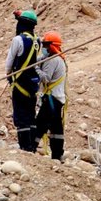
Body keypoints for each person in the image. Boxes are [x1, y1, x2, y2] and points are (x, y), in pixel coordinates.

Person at [4, 10, 41, 151]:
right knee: (31, 115)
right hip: (32, 84)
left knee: (21, 116)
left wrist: (9, 75)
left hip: (19, 83)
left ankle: (24, 147)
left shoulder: (18, 40)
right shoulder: (37, 40)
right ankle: (31, 146)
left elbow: (10, 62)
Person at [34, 31, 67, 162]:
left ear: (52, 46)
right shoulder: (55, 58)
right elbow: (40, 59)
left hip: (52, 99)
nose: (44, 48)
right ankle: (58, 155)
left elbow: (46, 78)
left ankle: (30, 147)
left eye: (46, 45)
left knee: (40, 124)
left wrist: (35, 68)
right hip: (57, 99)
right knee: (56, 128)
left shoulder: (53, 60)